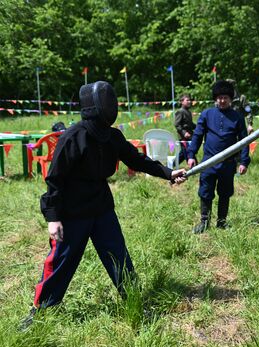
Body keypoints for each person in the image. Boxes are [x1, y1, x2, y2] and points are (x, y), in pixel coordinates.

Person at [21, 81, 187, 329]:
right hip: (71, 211)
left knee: (117, 255)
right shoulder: (72, 137)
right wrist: (53, 218)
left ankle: (133, 301)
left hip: (101, 208)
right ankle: (41, 310)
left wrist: (168, 173)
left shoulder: (112, 137)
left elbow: (138, 160)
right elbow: (54, 179)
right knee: (60, 262)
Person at [187, 80, 250, 234]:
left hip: (228, 164)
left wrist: (244, 161)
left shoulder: (237, 117)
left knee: (225, 192)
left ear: (230, 99)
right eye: (219, 97)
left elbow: (244, 142)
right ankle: (204, 222)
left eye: (225, 98)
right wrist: (191, 154)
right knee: (205, 191)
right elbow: (197, 136)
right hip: (208, 163)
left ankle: (221, 222)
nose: (222, 100)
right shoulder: (207, 114)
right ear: (215, 98)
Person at [173, 94, 196, 164]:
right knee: (188, 151)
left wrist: (200, 127)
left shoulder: (188, 112)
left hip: (190, 135)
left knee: (184, 153)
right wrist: (184, 133)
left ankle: (171, 164)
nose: (189, 102)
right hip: (183, 137)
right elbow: (177, 124)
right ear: (182, 102)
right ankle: (194, 165)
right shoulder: (180, 111)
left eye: (190, 100)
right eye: (187, 100)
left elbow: (190, 124)